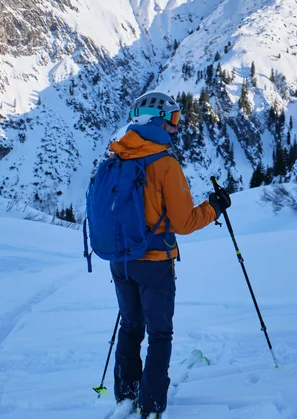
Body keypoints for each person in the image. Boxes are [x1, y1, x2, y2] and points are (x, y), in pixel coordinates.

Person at [106, 91, 231, 418]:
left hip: (119, 261)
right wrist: (214, 207)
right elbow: (184, 222)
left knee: (131, 327)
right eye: (172, 121)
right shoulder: (164, 164)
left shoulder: (115, 158)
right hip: (154, 264)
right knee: (160, 334)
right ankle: (151, 405)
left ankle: (126, 395)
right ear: (154, 123)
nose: (176, 128)